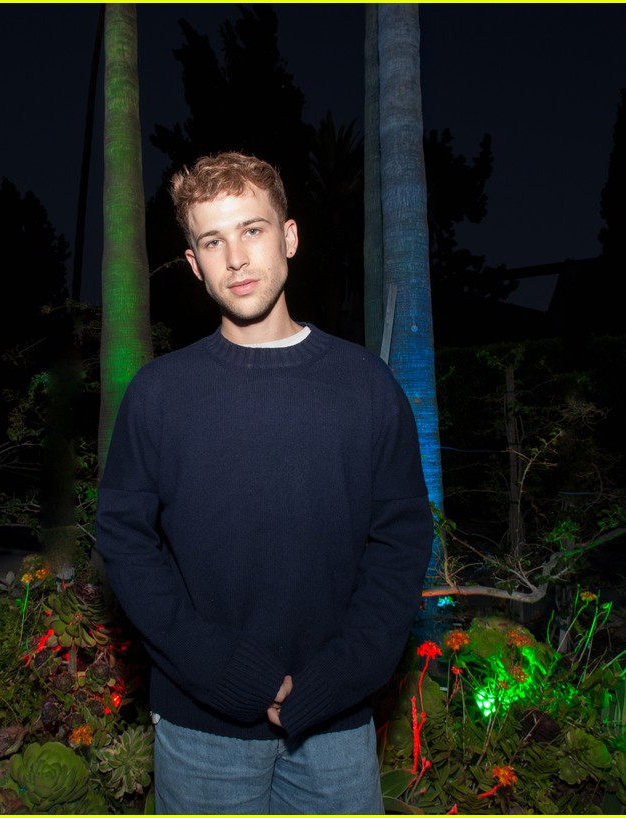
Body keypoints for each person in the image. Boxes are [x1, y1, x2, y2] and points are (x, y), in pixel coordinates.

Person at [95, 151, 433, 814]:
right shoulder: (160, 394)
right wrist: (225, 672)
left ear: (289, 237)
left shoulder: (365, 386)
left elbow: (401, 542)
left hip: (335, 722)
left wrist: (337, 677)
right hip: (200, 727)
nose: (236, 258)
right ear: (194, 264)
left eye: (252, 230)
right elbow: (124, 540)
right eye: (212, 241)